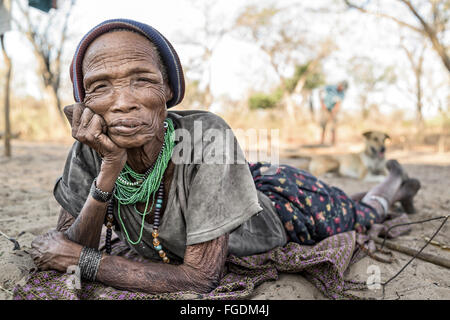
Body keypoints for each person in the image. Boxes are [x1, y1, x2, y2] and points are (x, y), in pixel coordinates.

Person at [29, 19, 421, 295]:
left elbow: (200, 277)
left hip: (281, 204)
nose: (123, 102)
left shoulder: (207, 135)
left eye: (142, 79)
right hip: (230, 185)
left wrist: (87, 262)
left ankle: (393, 184)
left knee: (358, 215)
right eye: (101, 86)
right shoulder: (89, 145)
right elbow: (69, 242)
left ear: (168, 89)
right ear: (85, 102)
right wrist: (109, 171)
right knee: (345, 199)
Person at [319, 80, 348, 145]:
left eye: (343, 88)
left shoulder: (342, 93)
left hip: (334, 110)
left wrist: (334, 111)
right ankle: (322, 141)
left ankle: (333, 142)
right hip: (325, 108)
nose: (342, 89)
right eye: (342, 87)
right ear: (340, 84)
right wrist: (322, 104)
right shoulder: (330, 87)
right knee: (323, 124)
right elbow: (321, 93)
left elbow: (338, 103)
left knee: (334, 125)